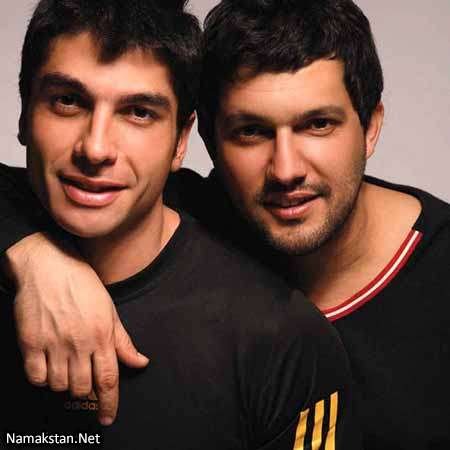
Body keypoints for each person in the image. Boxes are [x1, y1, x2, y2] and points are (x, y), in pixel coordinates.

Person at [1, 0, 449, 448]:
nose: (286, 170)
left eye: (318, 124)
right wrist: (37, 257)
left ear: (371, 128)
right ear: (203, 142)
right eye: (251, 131)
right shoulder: (169, 204)